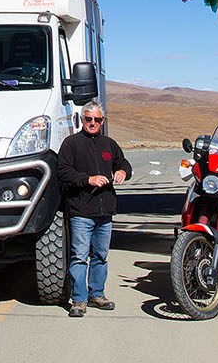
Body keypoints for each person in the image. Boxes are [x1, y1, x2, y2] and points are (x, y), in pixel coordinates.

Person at [55, 101, 129, 318]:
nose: (93, 123)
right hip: (81, 211)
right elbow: (63, 171)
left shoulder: (109, 144)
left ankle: (97, 294)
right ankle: (79, 300)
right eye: (89, 119)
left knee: (101, 255)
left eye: (97, 120)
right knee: (79, 256)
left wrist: (123, 171)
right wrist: (88, 179)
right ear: (82, 120)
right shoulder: (71, 143)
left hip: (105, 211)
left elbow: (123, 163)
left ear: (103, 121)